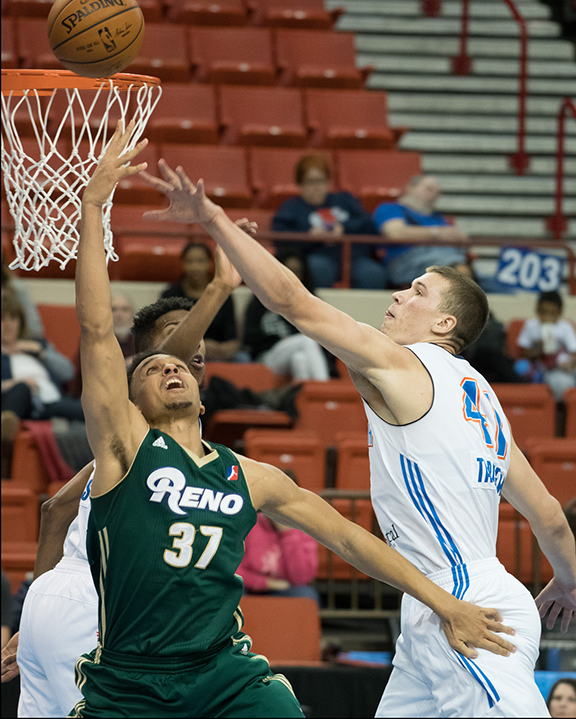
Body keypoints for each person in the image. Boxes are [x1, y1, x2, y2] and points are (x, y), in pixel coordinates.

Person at [70, 123, 516, 717]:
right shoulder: (123, 448)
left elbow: (350, 540)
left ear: (203, 399)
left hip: (224, 674)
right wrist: (93, 208)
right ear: (130, 404)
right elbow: (96, 328)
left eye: (179, 365)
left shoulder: (251, 476)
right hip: (131, 679)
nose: (170, 367)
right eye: (151, 368)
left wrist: (445, 603)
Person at [141, 158, 576, 718]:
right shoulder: (486, 406)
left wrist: (213, 218)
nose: (398, 295)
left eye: (417, 291)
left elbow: (293, 302)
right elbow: (549, 516)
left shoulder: (406, 364)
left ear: (444, 325)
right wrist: (568, 583)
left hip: (466, 604)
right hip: (436, 602)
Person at [2, 254, 247, 717]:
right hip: (102, 602)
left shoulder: (145, 442)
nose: (194, 343)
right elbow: (165, 351)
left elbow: (55, 511)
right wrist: (218, 290)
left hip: (63, 598)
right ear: (146, 357)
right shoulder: (136, 413)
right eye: (180, 332)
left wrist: (38, 609)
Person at [272, 154, 386, 290]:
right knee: (317, 269)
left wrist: (344, 229)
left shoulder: (345, 200)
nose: (316, 187)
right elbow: (280, 239)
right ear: (300, 184)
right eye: (310, 181)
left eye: (320, 180)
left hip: (352, 258)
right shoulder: (291, 208)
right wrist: (309, 236)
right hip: (316, 256)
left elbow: (368, 224)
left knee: (373, 274)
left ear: (328, 182)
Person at [243, 252, 330, 381]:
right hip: (268, 356)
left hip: (297, 352)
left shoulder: (311, 302)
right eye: (289, 271)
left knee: (299, 359)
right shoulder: (259, 301)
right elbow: (250, 337)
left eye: (298, 272)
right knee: (307, 341)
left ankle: (308, 393)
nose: (293, 276)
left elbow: (325, 337)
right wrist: (279, 340)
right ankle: (325, 389)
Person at [1, 289, 84, 426]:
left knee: (92, 409)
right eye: (3, 319)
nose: (8, 325)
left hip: (50, 402)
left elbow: (68, 372)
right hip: (21, 402)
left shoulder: (37, 345)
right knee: (22, 388)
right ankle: (6, 426)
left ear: (21, 322)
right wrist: (16, 383)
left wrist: (41, 353)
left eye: (13, 318)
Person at [237, 470, 320, 605]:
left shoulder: (304, 528)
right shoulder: (248, 522)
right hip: (249, 588)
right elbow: (234, 570)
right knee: (231, 591)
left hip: (286, 590)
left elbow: (301, 578)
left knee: (306, 595)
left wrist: (288, 534)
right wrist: (266, 583)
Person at [373, 174, 468, 287]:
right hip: (406, 261)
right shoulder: (391, 208)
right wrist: (437, 233)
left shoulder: (439, 217)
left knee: (462, 271)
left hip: (446, 258)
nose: (434, 194)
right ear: (410, 188)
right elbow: (395, 232)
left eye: (437, 192)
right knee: (458, 271)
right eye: (429, 189)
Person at [161, 242, 240, 361]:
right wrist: (199, 346)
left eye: (200, 261)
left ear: (210, 263)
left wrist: (217, 349)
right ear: (183, 263)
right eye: (190, 261)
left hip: (218, 356)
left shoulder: (223, 296)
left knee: (243, 359)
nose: (195, 267)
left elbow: (233, 342)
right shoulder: (170, 295)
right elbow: (163, 337)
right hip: (180, 356)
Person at [451, 261, 520, 384]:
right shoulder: (440, 306)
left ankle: (520, 390)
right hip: (456, 355)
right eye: (461, 278)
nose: (466, 283)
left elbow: (495, 332)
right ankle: (520, 388)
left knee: (493, 356)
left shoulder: (481, 306)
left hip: (482, 356)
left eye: (468, 278)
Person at [516, 291, 576, 401]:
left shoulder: (565, 327)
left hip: (570, 366)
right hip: (550, 371)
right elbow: (522, 352)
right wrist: (540, 349)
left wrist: (571, 363)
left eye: (552, 313)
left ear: (559, 312)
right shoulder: (531, 326)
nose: (547, 317)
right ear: (537, 309)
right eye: (544, 312)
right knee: (563, 384)